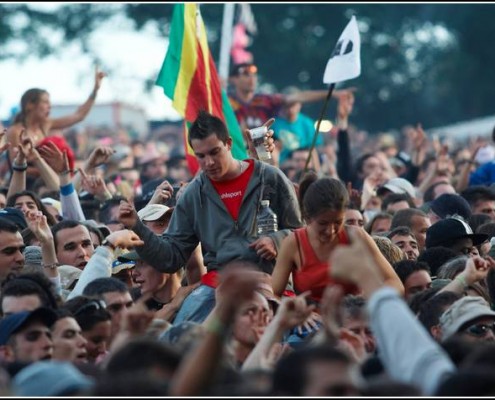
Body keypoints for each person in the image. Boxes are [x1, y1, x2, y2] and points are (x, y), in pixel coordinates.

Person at [119, 110, 302, 323]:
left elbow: (301, 233)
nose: (209, 162)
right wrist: (137, 227)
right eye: (201, 156)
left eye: (215, 152)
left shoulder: (270, 177)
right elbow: (171, 257)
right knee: (183, 337)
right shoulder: (192, 195)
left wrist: (277, 241)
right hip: (217, 287)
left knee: (299, 339)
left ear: (229, 144)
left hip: (272, 282)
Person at [271, 171, 404, 308]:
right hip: (311, 322)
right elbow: (274, 294)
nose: (331, 231)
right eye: (323, 223)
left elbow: (395, 283)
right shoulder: (293, 243)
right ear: (307, 218)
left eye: (338, 222)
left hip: (354, 318)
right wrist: (298, 311)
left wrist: (366, 300)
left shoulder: (356, 236)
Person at [6, 66, 106, 183]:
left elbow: (79, 116)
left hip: (47, 182)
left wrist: (95, 90)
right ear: (30, 105)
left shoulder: (45, 125)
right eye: (45, 102)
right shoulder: (16, 131)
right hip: (24, 186)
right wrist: (53, 171)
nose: (49, 106)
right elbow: (17, 166)